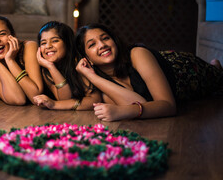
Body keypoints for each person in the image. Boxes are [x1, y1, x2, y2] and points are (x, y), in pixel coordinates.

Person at [75, 23, 223, 121]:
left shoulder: (137, 53)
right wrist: (91, 76)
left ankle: (214, 67)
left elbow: (168, 106)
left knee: (218, 78)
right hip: (170, 76)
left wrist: (120, 112)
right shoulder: (103, 89)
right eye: (92, 44)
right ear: (87, 59)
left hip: (184, 69)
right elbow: (142, 103)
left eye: (105, 38)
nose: (102, 45)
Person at [33, 21, 102, 110]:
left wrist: (55, 104)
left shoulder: (80, 63)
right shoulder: (46, 69)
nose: (48, 46)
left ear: (67, 43)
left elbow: (95, 99)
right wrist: (51, 67)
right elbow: (64, 99)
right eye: (43, 43)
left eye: (55, 41)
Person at [0, 15, 43, 105]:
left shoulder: (29, 47)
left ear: (13, 36)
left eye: (2, 34)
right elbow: (19, 99)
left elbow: (36, 97)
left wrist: (10, 60)